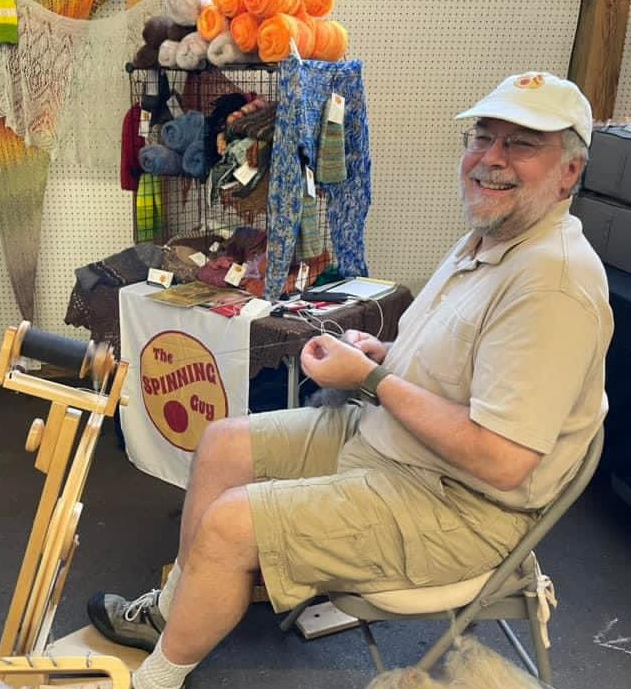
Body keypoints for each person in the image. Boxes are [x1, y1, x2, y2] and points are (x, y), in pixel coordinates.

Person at [87, 72, 613, 689]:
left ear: (569, 173)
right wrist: (384, 352)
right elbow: (466, 367)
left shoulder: (551, 286)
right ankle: (176, 611)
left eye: (521, 144)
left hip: (460, 507)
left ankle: (156, 677)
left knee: (232, 523)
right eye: (483, 137)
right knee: (224, 442)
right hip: (397, 444)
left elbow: (501, 460)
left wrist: (370, 378)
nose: (491, 158)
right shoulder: (492, 240)